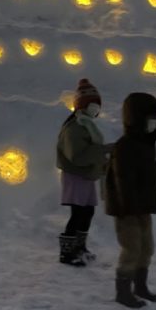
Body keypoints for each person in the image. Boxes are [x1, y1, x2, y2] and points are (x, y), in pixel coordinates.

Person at [104, 92, 156, 308]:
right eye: (149, 119)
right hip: (127, 210)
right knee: (132, 249)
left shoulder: (147, 144)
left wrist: (153, 201)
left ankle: (140, 286)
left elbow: (151, 178)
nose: (153, 123)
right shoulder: (125, 146)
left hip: (143, 207)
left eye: (155, 119)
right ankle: (123, 292)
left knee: (147, 248)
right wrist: (129, 207)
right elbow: (122, 181)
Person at [56, 79, 111, 267]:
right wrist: (103, 150)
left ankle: (80, 247)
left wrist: (102, 159)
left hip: (86, 175)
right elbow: (77, 156)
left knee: (87, 212)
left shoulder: (86, 125)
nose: (95, 109)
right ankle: (66, 253)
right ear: (82, 105)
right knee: (78, 213)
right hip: (76, 175)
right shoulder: (75, 127)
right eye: (92, 105)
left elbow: (90, 151)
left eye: (97, 105)